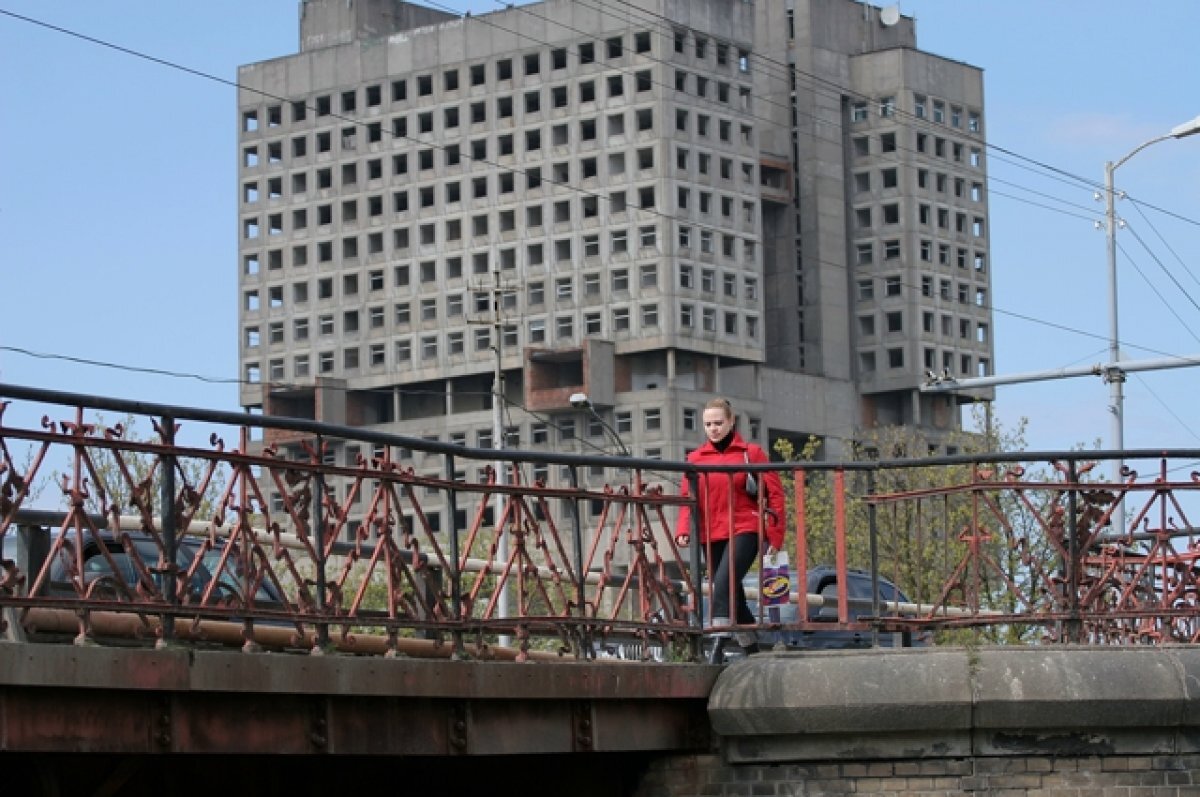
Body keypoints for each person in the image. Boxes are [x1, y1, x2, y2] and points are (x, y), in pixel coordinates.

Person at [675, 398, 785, 654]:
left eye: (718, 423)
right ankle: (751, 647)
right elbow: (686, 500)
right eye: (708, 424)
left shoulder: (751, 453)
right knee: (732, 591)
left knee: (723, 584)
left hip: (745, 527)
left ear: (731, 421)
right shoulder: (695, 459)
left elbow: (776, 496)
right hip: (710, 532)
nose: (713, 429)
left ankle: (718, 642)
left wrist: (775, 536)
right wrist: (683, 530)